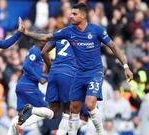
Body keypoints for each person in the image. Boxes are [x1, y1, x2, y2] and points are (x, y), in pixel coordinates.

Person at [20, 3, 133, 135]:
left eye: (74, 14)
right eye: (71, 13)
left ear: (83, 16)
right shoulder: (68, 31)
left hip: (94, 72)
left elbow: (113, 46)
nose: (70, 16)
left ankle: (101, 132)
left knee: (90, 105)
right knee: (73, 109)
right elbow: (46, 37)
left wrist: (126, 66)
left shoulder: (97, 30)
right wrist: (26, 32)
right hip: (78, 74)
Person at [7, 39, 52, 135]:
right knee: (47, 111)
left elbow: (32, 69)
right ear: (41, 42)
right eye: (46, 41)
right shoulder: (35, 51)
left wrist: (45, 77)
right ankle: (31, 109)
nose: (48, 44)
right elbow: (26, 66)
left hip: (22, 85)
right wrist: (39, 78)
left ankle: (12, 132)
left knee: (20, 117)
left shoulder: (37, 52)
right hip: (28, 87)